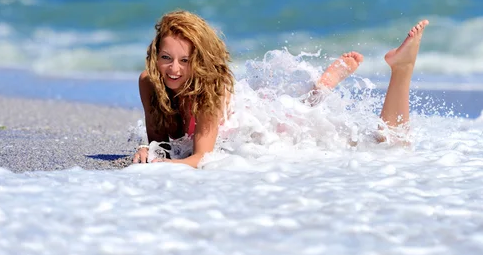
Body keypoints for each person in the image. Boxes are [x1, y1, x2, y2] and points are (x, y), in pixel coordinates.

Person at [132, 10, 429, 166]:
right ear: (154, 53)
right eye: (166, 58)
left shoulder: (210, 88)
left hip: (260, 130)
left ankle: (401, 69)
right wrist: (148, 151)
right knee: (299, 108)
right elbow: (163, 146)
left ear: (200, 60)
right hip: (249, 119)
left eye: (185, 60)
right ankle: (319, 89)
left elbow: (199, 160)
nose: (174, 69)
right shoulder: (149, 82)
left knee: (391, 146)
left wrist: (158, 167)